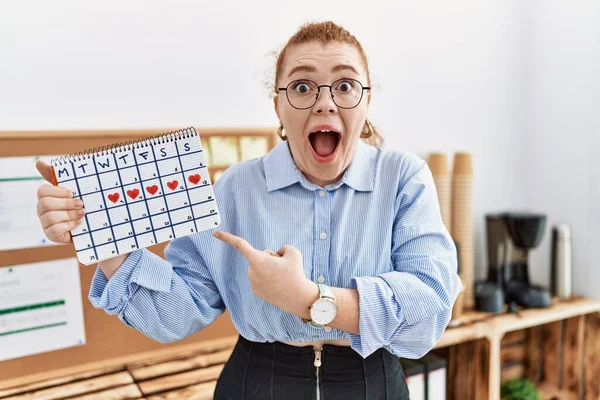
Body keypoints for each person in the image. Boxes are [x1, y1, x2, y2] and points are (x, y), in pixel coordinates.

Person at [35, 21, 461, 400]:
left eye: (346, 85)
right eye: (301, 86)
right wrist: (103, 236)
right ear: (278, 106)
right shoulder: (236, 188)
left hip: (374, 384)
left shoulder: (405, 178)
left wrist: (310, 300)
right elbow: (179, 313)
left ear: (366, 103)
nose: (325, 103)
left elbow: (431, 308)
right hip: (258, 382)